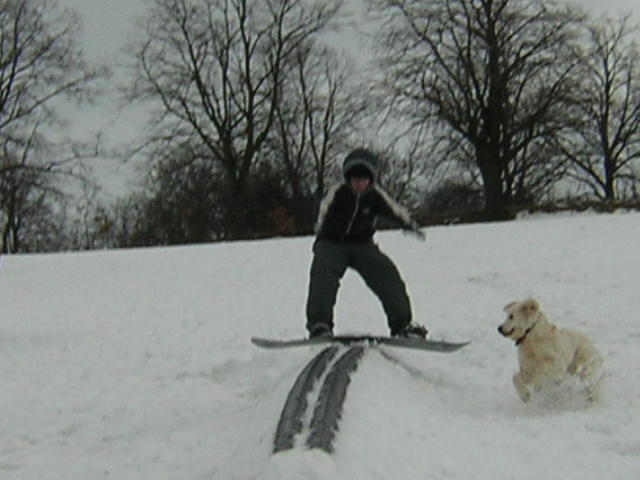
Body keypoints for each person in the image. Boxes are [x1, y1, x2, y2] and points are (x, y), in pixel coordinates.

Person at [305, 148, 428, 339]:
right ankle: (320, 324)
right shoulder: (338, 192)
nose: (359, 183)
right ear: (348, 178)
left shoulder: (375, 196)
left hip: (363, 245)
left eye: (364, 179)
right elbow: (323, 211)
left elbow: (394, 210)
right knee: (323, 276)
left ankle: (402, 324)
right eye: (355, 178)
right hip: (332, 243)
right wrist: (321, 236)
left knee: (387, 274)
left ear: (371, 179)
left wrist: (409, 225)